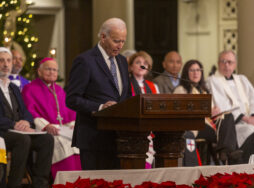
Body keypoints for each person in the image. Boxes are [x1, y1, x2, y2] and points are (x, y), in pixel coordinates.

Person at [66, 18, 132, 170]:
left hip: (119, 138)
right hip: (93, 138)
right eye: (116, 41)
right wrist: (100, 107)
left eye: (123, 41)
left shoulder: (122, 61)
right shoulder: (85, 61)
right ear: (103, 37)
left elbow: (126, 96)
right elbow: (72, 99)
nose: (120, 45)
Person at [0, 47, 53, 188]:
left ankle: (38, 185)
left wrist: (26, 122)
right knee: (22, 140)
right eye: (1, 60)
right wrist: (13, 124)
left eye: (8, 61)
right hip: (3, 132)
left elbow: (26, 111)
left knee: (46, 139)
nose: (6, 64)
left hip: (18, 131)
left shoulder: (13, 88)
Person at [22, 57, 81, 179]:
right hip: (44, 130)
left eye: (55, 70)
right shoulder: (30, 88)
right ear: (39, 71)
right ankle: (65, 183)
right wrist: (45, 125)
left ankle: (79, 182)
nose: (52, 72)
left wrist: (73, 123)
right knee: (62, 143)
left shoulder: (59, 90)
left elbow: (70, 110)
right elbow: (29, 111)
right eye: (48, 69)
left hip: (63, 129)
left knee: (76, 142)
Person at [174, 59, 242, 164]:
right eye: (192, 70)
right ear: (186, 73)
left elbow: (210, 110)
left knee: (228, 116)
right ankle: (228, 153)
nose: (196, 73)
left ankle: (225, 151)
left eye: (198, 70)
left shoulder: (203, 90)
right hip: (193, 125)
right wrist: (208, 112)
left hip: (207, 123)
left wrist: (215, 111)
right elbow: (180, 112)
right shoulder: (181, 90)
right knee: (226, 132)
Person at [207, 50, 254, 163]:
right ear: (218, 63)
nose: (226, 65)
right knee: (251, 132)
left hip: (251, 120)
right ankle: (249, 171)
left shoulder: (242, 79)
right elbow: (221, 106)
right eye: (223, 61)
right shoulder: (212, 81)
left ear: (235, 64)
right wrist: (245, 119)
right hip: (233, 125)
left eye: (229, 62)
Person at [128, 51, 158, 168]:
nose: (142, 65)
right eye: (138, 62)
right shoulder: (126, 85)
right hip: (133, 127)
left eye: (145, 63)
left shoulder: (153, 86)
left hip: (150, 128)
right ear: (130, 67)